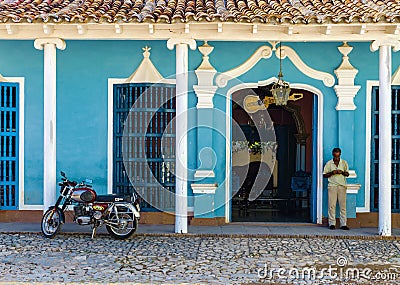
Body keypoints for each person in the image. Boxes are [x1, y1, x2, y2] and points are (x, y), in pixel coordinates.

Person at [323, 147, 350, 230]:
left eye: (338, 156)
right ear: (333, 154)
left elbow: (347, 174)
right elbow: (324, 175)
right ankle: (332, 223)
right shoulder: (329, 163)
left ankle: (343, 224)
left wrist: (341, 172)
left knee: (343, 206)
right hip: (332, 186)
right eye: (335, 156)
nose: (336, 158)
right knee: (331, 205)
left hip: (342, 186)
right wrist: (332, 173)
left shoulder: (344, 163)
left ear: (340, 154)